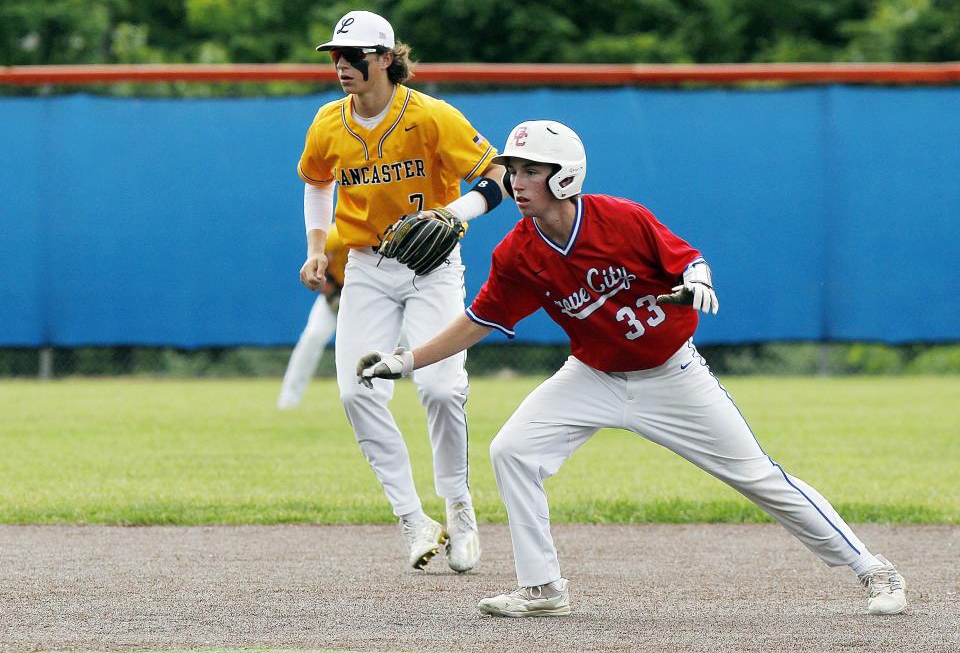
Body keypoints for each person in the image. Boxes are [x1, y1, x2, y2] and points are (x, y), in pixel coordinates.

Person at [356, 120, 907, 617]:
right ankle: (543, 588)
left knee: (759, 477)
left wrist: (700, 281)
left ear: (565, 177)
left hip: (672, 376)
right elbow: (479, 320)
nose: (516, 181)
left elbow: (688, 259)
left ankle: (874, 569)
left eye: (530, 171)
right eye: (513, 170)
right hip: (591, 377)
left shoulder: (621, 218)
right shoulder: (518, 251)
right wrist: (405, 359)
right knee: (512, 451)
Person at [296, 10, 507, 573]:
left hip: (433, 265)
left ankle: (460, 510)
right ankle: (415, 520)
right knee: (355, 391)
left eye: (355, 54)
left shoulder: (431, 116)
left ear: (387, 58)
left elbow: (497, 178)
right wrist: (318, 249)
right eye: (335, 55)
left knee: (439, 387)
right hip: (367, 266)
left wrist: (454, 213)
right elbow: (318, 184)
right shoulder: (327, 122)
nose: (342, 64)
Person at [278, 224, 348, 410]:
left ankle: (428, 391)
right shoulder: (335, 236)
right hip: (337, 296)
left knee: (406, 337)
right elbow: (317, 269)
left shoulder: (379, 233)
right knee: (313, 337)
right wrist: (332, 294)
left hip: (371, 298)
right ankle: (288, 401)